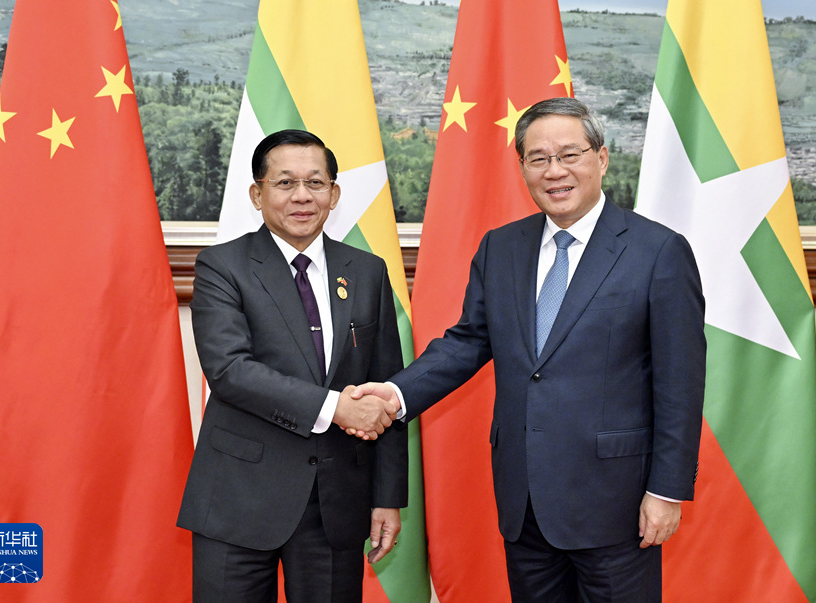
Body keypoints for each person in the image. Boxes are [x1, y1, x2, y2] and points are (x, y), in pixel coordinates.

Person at [351, 98, 705, 601]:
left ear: (602, 158)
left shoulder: (658, 251)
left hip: (618, 503)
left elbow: (680, 383)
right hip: (525, 502)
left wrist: (666, 490)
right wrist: (395, 394)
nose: (554, 171)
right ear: (522, 168)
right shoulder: (501, 247)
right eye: (538, 158)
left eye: (569, 155)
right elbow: (469, 341)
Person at [177, 129, 406, 602]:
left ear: (333, 194)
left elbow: (386, 387)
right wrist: (335, 407)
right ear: (257, 194)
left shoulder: (367, 271)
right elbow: (230, 370)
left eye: (315, 183)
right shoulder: (222, 266)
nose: (302, 196)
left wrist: (387, 497)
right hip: (238, 497)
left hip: (335, 504)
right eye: (285, 183)